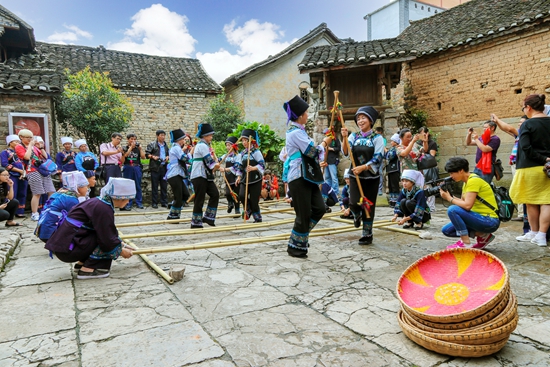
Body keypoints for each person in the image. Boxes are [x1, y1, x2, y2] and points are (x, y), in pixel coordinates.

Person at [45, 178, 135, 280]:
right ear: (120, 197)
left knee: (107, 237)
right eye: (128, 199)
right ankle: (91, 268)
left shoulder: (99, 202)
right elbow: (107, 237)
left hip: (64, 245)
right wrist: (120, 251)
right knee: (106, 242)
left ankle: (83, 262)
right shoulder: (103, 208)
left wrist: (122, 244)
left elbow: (107, 229)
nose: (128, 202)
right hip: (68, 249)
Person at [283, 95, 331, 257]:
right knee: (303, 214)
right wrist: (324, 143)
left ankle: (301, 236)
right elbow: (312, 151)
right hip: (298, 177)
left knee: (320, 208)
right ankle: (294, 246)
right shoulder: (294, 133)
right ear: (300, 115)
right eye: (305, 112)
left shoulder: (300, 132)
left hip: (308, 176)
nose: (307, 115)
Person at [510, 94, 550, 247]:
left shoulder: (527, 124)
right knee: (547, 201)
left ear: (529, 107)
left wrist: (542, 159)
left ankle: (534, 231)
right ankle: (541, 235)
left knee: (530, 201)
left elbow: (525, 147)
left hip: (529, 166)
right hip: (548, 168)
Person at [341, 106, 384, 245]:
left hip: (371, 177)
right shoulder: (354, 136)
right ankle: (356, 215)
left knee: (368, 206)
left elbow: (378, 157)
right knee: (353, 202)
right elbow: (346, 153)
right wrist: (344, 138)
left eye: (363, 118)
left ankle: (367, 234)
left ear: (371, 120)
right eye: (358, 119)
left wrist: (364, 167)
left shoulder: (377, 138)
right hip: (355, 176)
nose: (360, 121)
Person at [439, 157, 500, 249]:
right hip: (478, 218)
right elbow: (463, 203)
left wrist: (449, 199)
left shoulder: (473, 181)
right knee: (447, 230)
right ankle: (484, 236)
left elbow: (467, 206)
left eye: (452, 173)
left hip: (489, 220)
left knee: (452, 210)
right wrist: (449, 195)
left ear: (461, 171)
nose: (451, 176)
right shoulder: (466, 182)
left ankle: (465, 243)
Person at [35, 171, 89, 242]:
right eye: (86, 186)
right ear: (78, 188)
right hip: (51, 234)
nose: (87, 189)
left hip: (44, 232)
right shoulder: (71, 199)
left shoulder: (61, 192)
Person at [492, 113, 527, 220]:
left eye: (522, 123)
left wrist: (497, 119)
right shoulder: (520, 134)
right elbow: (507, 130)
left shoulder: (525, 132)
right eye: (519, 123)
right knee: (519, 188)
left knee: (519, 188)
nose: (519, 125)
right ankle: (522, 213)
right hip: (516, 163)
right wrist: (497, 122)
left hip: (521, 165)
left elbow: (510, 129)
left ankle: (522, 214)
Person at [15, 130, 56, 221]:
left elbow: (45, 157)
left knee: (51, 190)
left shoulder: (34, 147)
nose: (30, 139)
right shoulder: (19, 146)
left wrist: (41, 148)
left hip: (42, 170)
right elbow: (26, 157)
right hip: (31, 170)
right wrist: (29, 146)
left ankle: (50, 210)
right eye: (27, 137)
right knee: (37, 192)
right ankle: (34, 213)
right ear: (21, 137)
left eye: (31, 138)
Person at [190, 123, 220, 228]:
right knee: (199, 198)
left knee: (215, 194)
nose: (211, 137)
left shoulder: (205, 146)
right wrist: (217, 166)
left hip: (205, 176)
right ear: (205, 136)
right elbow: (210, 163)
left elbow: (211, 162)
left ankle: (208, 217)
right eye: (210, 135)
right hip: (199, 175)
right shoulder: (202, 145)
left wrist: (217, 163)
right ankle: (196, 222)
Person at [235, 129, 265, 222]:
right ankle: (248, 208)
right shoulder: (242, 154)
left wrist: (253, 168)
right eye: (243, 140)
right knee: (241, 195)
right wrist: (238, 177)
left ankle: (257, 217)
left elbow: (262, 165)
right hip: (245, 178)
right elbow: (240, 167)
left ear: (250, 141)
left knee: (254, 199)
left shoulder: (256, 152)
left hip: (255, 178)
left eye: (245, 140)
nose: (244, 142)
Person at [165, 129, 191, 220]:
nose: (184, 141)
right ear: (179, 140)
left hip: (177, 175)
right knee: (178, 196)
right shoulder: (176, 148)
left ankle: (175, 209)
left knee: (185, 194)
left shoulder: (177, 148)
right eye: (183, 139)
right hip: (174, 175)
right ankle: (173, 215)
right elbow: (184, 158)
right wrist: (194, 159)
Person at [1, 135, 28, 217]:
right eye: (15, 142)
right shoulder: (5, 152)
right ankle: (11, 211)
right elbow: (5, 164)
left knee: (22, 193)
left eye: (18, 142)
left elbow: (26, 162)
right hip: (12, 174)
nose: (18, 143)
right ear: (10, 143)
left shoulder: (20, 152)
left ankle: (20, 211)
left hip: (23, 175)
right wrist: (19, 171)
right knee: (13, 192)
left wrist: (23, 172)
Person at [121, 133, 146, 210]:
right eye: (131, 139)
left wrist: (140, 149)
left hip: (136, 167)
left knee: (138, 185)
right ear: (128, 139)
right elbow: (125, 156)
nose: (133, 141)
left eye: (134, 139)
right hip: (128, 167)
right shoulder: (125, 148)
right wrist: (131, 148)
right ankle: (128, 203)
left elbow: (143, 157)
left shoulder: (138, 148)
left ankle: (139, 202)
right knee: (128, 185)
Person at [145, 129, 169, 209]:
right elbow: (147, 153)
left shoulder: (165, 145)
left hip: (164, 167)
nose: (163, 137)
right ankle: (154, 202)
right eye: (161, 135)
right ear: (157, 136)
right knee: (154, 186)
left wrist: (167, 157)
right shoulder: (152, 144)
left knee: (164, 186)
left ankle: (164, 202)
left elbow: (168, 153)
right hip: (155, 167)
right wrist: (153, 157)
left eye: (164, 135)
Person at [418, 126, 438, 213]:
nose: (423, 135)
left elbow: (431, 156)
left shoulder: (432, 143)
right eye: (421, 133)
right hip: (420, 167)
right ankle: (423, 205)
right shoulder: (417, 143)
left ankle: (431, 207)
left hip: (429, 168)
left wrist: (423, 151)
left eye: (424, 133)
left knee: (430, 186)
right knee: (421, 186)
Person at [220, 136, 240, 214]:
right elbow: (218, 160)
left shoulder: (238, 156)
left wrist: (225, 169)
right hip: (228, 178)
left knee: (236, 193)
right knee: (228, 193)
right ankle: (230, 203)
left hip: (235, 178)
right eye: (227, 145)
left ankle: (237, 209)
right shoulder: (226, 156)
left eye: (229, 145)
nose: (227, 147)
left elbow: (236, 167)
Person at [323, 130, 341, 198]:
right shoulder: (325, 140)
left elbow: (338, 148)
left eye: (326, 133)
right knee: (327, 178)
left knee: (334, 177)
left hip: (332, 160)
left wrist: (330, 148)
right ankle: (328, 192)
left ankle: (335, 192)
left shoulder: (335, 140)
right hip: (326, 160)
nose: (325, 135)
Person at [386, 133, 401, 208]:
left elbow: (390, 156)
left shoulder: (397, 148)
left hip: (395, 169)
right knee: (391, 186)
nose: (391, 142)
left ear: (396, 142)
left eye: (392, 141)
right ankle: (392, 201)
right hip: (391, 169)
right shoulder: (392, 148)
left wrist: (386, 151)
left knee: (395, 186)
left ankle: (396, 202)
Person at [374, 126, 387, 196]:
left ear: (381, 133)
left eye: (379, 134)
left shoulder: (383, 140)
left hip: (380, 159)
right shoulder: (373, 139)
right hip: (373, 159)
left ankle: (379, 189)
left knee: (380, 173)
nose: (377, 135)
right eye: (376, 134)